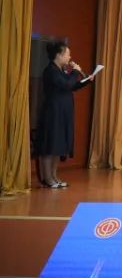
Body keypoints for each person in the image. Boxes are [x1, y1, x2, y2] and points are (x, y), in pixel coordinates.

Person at [35, 41, 95, 189]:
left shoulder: (61, 70)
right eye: (67, 54)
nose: (70, 57)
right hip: (53, 113)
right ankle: (47, 178)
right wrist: (75, 71)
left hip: (63, 113)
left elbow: (71, 86)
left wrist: (86, 81)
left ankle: (54, 177)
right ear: (59, 55)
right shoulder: (50, 71)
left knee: (58, 146)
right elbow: (66, 84)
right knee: (50, 147)